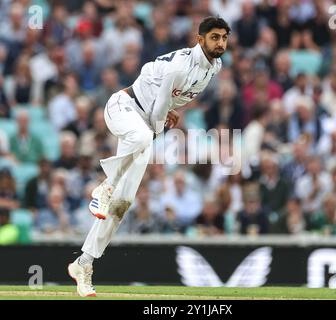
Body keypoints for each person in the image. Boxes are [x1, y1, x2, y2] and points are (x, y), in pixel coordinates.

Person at [68, 16, 231, 297]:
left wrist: (169, 108)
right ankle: (104, 186)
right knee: (142, 138)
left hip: (144, 122)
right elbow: (156, 109)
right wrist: (161, 116)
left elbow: (167, 100)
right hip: (122, 106)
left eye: (224, 37)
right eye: (214, 37)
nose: (220, 43)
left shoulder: (215, 67)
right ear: (200, 38)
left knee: (122, 204)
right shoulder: (181, 64)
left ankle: (83, 263)